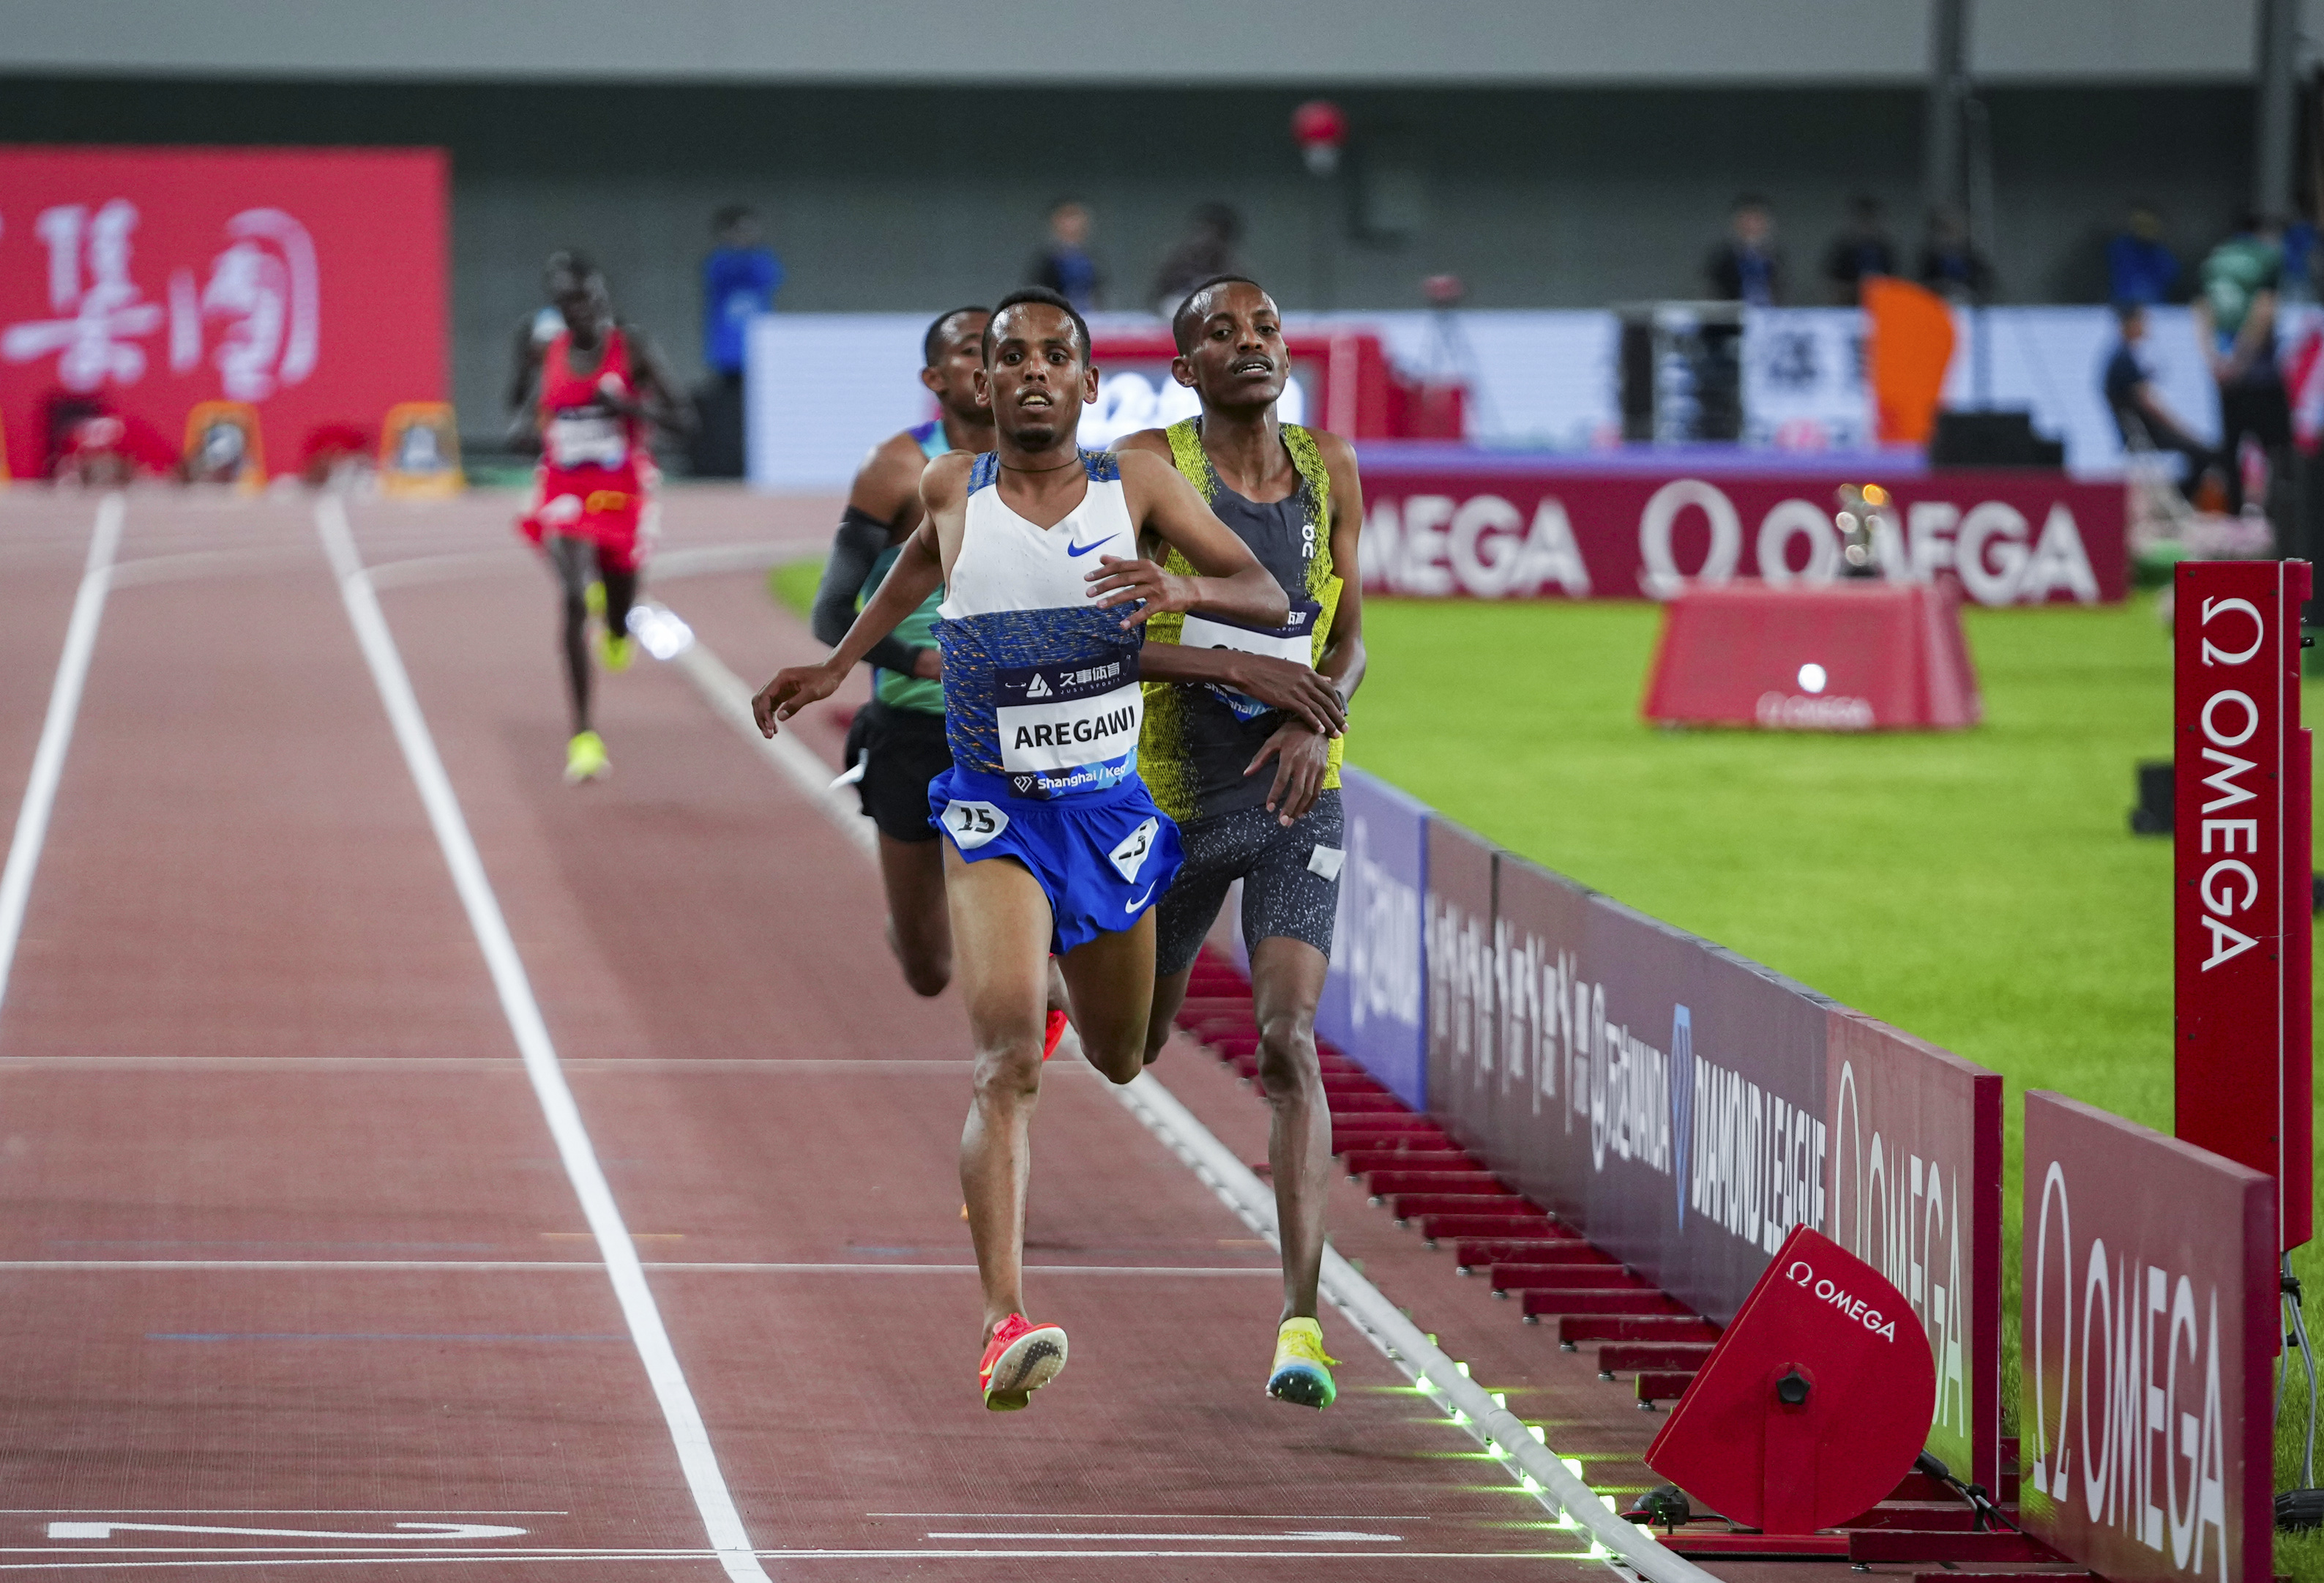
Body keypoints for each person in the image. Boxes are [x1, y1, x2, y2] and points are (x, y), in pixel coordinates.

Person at [751, 287, 1288, 1410]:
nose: (1033, 371)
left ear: (1091, 386)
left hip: (1108, 815)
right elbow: (908, 573)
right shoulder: (949, 488)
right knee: (1006, 1064)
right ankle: (1003, 1321)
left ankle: (1078, 979)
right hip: (994, 817)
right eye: (1010, 357)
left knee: (1123, 1055)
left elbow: (1266, 591)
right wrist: (839, 666)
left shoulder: (1134, 487)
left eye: (1056, 356)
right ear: (982, 385)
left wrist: (1179, 586)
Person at [1118, 275, 1364, 1410]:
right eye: (1221, 332)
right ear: (1184, 367)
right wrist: (1233, 661)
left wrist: (1325, 716)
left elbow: (1348, 629)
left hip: (1288, 798)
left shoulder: (1327, 466)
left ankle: (1299, 1324)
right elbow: (1101, 641)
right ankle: (1086, 983)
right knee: (1129, 1051)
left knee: (1286, 1039)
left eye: (1264, 326)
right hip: (1168, 802)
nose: (1250, 343)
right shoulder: (1146, 466)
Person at [810, 307, 996, 998]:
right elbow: (831, 612)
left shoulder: (1053, 462)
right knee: (929, 972)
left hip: (1017, 736)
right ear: (933, 376)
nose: (989, 365)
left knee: (1028, 947)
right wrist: (921, 663)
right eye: (973, 351)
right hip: (913, 733)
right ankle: (913, 931)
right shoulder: (894, 468)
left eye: (999, 350)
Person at [515, 254, 695, 783]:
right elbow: (532, 414)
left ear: (603, 300)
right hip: (566, 488)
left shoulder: (631, 349)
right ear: (560, 310)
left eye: (590, 299)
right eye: (570, 303)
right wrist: (523, 430)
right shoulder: (549, 353)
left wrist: (631, 410)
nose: (582, 311)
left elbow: (687, 421)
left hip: (620, 495)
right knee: (571, 598)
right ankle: (584, 738)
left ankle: (618, 624)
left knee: (618, 603)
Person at [2194, 210, 2291, 515]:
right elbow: (2264, 310)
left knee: (2230, 449)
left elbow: (2201, 311)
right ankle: (2278, 518)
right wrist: (2241, 360)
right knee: (2279, 449)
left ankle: (2236, 518)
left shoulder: (2213, 262)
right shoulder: (2267, 258)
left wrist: (2214, 361)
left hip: (2225, 377)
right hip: (2258, 375)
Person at [695, 206, 781, 477]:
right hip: (729, 354)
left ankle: (759, 464)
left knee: (760, 414)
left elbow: (771, 276)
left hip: (761, 353)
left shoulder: (762, 261)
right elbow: (724, 274)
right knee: (730, 415)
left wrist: (749, 248)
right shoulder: (718, 262)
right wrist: (737, 248)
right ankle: (730, 464)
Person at [2103, 302, 2216, 503]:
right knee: (2205, 453)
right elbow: (2150, 406)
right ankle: (2181, 502)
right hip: (2144, 435)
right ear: (2130, 323)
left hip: (2144, 432)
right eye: (2142, 320)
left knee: (2200, 452)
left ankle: (2179, 501)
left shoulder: (2122, 356)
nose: (2147, 326)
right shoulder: (2123, 359)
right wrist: (2183, 430)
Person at [1150, 202, 1244, 319]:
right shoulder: (1180, 259)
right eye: (1202, 230)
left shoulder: (1232, 266)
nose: (1206, 238)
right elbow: (1158, 294)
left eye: (1214, 232)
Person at [1706, 195, 1783, 307]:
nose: (1751, 226)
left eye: (1756, 220)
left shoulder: (1777, 260)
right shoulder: (1721, 260)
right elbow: (1713, 295)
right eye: (1747, 220)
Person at [1028, 201, 1102, 313]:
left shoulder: (1093, 259)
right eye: (1066, 218)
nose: (1071, 224)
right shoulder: (1047, 262)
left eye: (1075, 217)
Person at [1821, 195, 1895, 306]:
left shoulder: (1884, 249)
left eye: (1869, 219)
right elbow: (1832, 283)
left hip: (1879, 304)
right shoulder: (1843, 250)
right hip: (1848, 306)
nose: (1866, 225)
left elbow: (1893, 282)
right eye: (1862, 219)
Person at [2107, 202, 2180, 308]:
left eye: (2147, 224)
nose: (2142, 228)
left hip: (2156, 310)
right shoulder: (2119, 248)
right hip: (2124, 309)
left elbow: (2172, 277)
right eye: (2138, 224)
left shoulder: (2163, 256)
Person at [1916, 205, 1994, 304]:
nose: (1949, 236)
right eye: (1944, 230)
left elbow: (1986, 290)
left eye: (1954, 229)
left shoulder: (1975, 263)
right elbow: (1919, 289)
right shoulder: (1926, 263)